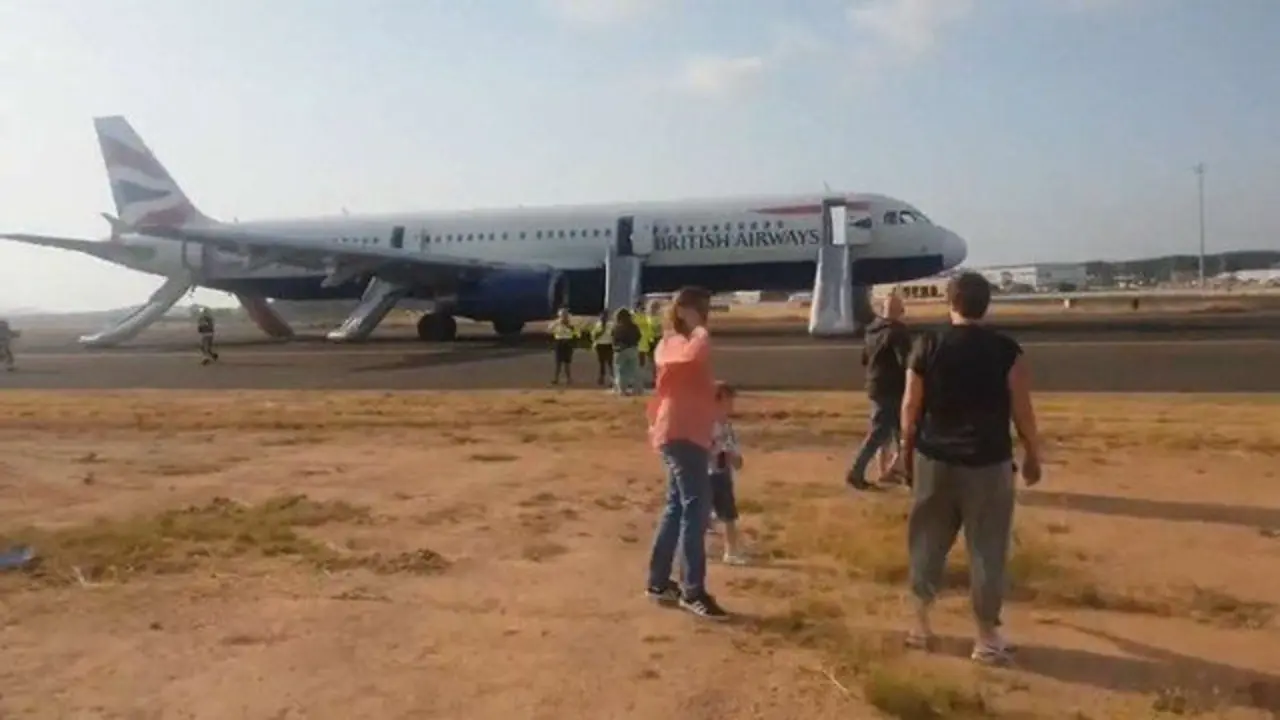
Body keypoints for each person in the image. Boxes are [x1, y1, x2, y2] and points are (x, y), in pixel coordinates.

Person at [899, 271, 1042, 667]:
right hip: (988, 462)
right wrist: (1033, 451)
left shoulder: (926, 344)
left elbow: (910, 406)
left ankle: (920, 624)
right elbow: (1022, 409)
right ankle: (985, 636)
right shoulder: (1006, 351)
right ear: (986, 304)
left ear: (950, 302)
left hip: (935, 458)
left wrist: (905, 451)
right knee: (987, 549)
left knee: (927, 539)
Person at [644, 285, 729, 621]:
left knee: (678, 506)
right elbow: (692, 356)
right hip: (681, 431)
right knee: (696, 508)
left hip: (683, 429)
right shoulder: (677, 342)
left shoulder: (681, 342)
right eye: (698, 308)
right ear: (682, 310)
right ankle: (692, 590)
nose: (704, 314)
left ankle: (659, 582)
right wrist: (700, 329)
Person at [846, 294, 912, 490]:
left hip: (875, 385)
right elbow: (906, 362)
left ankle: (896, 472)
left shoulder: (872, 330)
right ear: (899, 311)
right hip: (892, 388)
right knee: (883, 432)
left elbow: (864, 359)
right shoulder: (897, 332)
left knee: (894, 432)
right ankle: (856, 471)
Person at [708, 381, 748, 565]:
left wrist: (734, 457)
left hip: (722, 474)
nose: (731, 405)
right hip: (706, 474)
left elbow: (736, 457)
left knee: (728, 515)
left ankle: (731, 551)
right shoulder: (705, 425)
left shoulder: (727, 427)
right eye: (727, 400)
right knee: (699, 514)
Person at [611, 308, 643, 395]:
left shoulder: (617, 327)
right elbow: (639, 336)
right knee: (634, 370)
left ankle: (622, 390)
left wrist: (618, 346)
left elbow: (614, 339)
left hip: (620, 350)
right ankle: (638, 389)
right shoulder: (633, 326)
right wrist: (633, 344)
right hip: (632, 349)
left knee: (621, 371)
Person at [548, 308, 578, 385]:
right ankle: (556, 379)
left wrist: (569, 326)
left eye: (565, 314)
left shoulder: (571, 323)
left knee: (567, 362)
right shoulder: (556, 323)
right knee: (558, 362)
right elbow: (549, 330)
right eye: (562, 315)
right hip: (559, 342)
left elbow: (577, 333)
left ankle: (569, 379)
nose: (564, 316)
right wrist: (557, 324)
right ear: (559, 315)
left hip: (568, 342)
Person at [590, 310, 615, 387]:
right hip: (600, 345)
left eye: (605, 316)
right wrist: (602, 331)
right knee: (601, 363)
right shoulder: (597, 325)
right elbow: (594, 336)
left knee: (610, 363)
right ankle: (601, 378)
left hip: (609, 345)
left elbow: (614, 334)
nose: (603, 317)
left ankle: (612, 380)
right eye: (602, 316)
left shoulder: (611, 325)